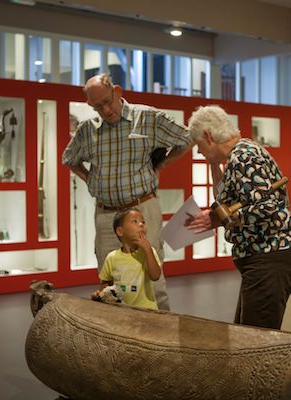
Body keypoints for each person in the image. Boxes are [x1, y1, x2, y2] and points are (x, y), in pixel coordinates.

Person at [62, 73, 192, 311]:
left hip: (142, 207)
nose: (105, 110)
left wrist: (162, 164)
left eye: (107, 101)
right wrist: (91, 180)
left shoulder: (148, 118)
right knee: (109, 282)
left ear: (118, 92)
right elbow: (69, 158)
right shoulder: (87, 130)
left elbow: (187, 138)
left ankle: (161, 336)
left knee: (154, 278)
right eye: (97, 106)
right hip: (106, 214)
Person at [185, 105, 291, 330]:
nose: (199, 152)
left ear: (208, 136)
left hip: (269, 257)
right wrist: (213, 163)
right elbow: (225, 198)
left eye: (198, 145)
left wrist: (219, 219)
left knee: (255, 341)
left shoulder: (243, 156)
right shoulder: (240, 154)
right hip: (265, 258)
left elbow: (267, 208)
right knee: (246, 334)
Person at [91, 208, 162, 310]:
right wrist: (101, 295)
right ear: (120, 231)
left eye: (143, 222)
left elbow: (155, 276)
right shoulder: (112, 257)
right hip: (121, 310)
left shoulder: (148, 252)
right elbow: (106, 282)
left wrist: (147, 249)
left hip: (147, 311)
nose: (141, 224)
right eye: (135, 221)